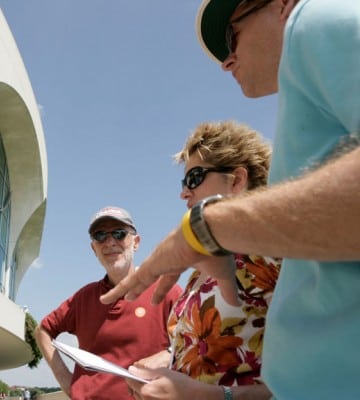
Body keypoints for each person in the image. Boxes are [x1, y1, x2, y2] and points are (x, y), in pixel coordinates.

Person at [101, 0, 359, 399]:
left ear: (282, 5)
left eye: (230, 35)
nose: (226, 61)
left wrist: (203, 228)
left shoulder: (315, 20)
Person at [126, 121, 279, 400]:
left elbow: (315, 383)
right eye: (183, 182)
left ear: (237, 180)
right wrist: (168, 360)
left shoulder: (276, 257)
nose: (184, 192)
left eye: (194, 178)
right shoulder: (200, 271)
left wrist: (209, 396)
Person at [35, 206, 182, 400]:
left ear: (136, 242)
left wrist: (168, 355)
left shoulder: (165, 290)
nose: (110, 241)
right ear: (93, 248)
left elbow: (200, 341)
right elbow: (42, 331)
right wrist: (68, 383)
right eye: (100, 235)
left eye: (119, 233)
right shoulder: (83, 298)